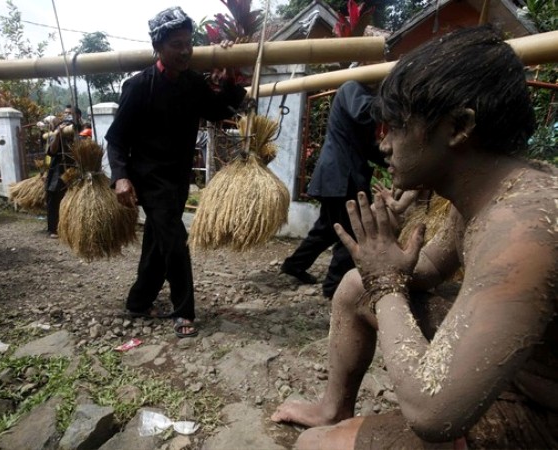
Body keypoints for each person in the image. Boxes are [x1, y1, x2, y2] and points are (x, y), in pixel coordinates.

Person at [271, 25, 557, 449]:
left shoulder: (523, 227)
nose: (384, 145)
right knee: (355, 286)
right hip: (518, 373)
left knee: (315, 446)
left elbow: (433, 413)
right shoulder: (487, 195)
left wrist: (386, 282)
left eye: (397, 126)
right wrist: (388, 248)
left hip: (543, 415)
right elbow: (423, 271)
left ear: (458, 126)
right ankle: (333, 406)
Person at [105, 7, 246, 338]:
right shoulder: (138, 86)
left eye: (188, 43)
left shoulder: (193, 84)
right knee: (175, 240)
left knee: (157, 242)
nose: (185, 51)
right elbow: (116, 139)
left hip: (179, 177)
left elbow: (220, 111)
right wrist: (120, 176)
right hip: (149, 179)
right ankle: (185, 311)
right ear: (158, 47)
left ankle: (138, 301)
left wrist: (228, 78)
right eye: (176, 44)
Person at [280, 81, 385, 299]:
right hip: (341, 176)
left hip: (340, 176)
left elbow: (367, 147)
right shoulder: (353, 87)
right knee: (350, 232)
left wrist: (395, 159)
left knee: (327, 228)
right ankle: (334, 287)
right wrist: (396, 100)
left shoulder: (361, 95)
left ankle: (294, 265)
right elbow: (364, 112)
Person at [45, 104, 82, 238]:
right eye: (65, 113)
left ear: (78, 116)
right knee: (55, 198)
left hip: (76, 169)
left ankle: (72, 227)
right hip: (58, 169)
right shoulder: (57, 130)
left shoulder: (82, 130)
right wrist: (58, 135)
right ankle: (53, 229)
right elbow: (52, 151)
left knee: (74, 198)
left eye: (70, 114)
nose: (67, 116)